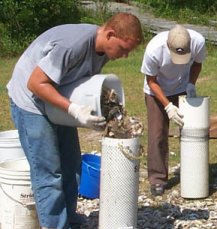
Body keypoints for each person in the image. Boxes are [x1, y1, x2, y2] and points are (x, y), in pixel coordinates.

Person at [7, 12, 143, 229]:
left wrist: (92, 109)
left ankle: (68, 217)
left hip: (56, 101)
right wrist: (74, 109)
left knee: (72, 165)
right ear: (110, 34)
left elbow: (79, 80)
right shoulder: (72, 46)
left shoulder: (104, 50)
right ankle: (56, 225)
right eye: (124, 49)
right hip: (30, 103)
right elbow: (35, 83)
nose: (125, 56)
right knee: (49, 172)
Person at [140, 24, 206, 196]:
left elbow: (197, 64)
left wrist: (191, 84)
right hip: (156, 90)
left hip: (183, 86)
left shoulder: (198, 41)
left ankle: (193, 173)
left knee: (192, 130)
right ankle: (157, 179)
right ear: (168, 47)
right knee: (157, 133)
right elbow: (151, 81)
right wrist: (168, 106)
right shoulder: (154, 49)